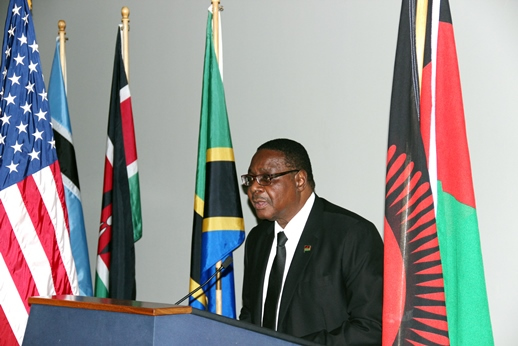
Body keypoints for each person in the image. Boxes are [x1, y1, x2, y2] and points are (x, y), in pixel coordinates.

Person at [239, 138, 383, 345]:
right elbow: (251, 314)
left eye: (266, 178)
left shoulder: (352, 234)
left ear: (299, 180)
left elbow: (371, 327)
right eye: (251, 179)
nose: (254, 188)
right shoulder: (257, 239)